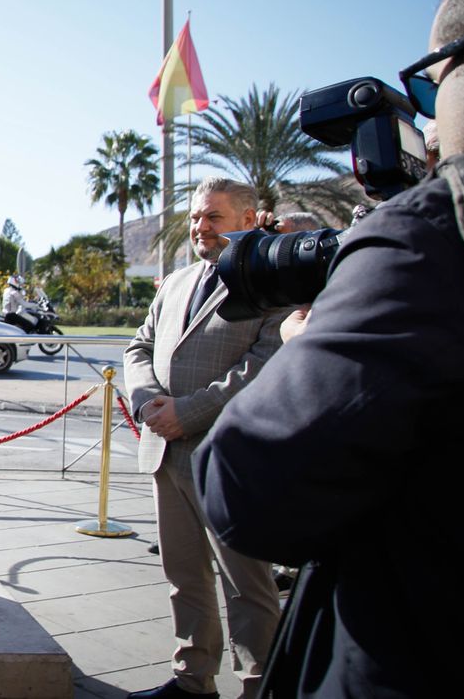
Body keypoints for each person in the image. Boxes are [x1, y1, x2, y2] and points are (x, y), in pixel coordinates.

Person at [195, 0, 464, 697]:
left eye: (431, 88)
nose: (429, 129)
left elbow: (244, 490)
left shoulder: (441, 237)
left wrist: (306, 347)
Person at [124, 177, 287, 699]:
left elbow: (264, 364)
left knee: (247, 586)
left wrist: (188, 413)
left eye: (213, 217)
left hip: (229, 459)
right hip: (166, 453)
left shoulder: (270, 284)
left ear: (246, 219)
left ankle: (259, 683)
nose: (200, 226)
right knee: (184, 578)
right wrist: (150, 402)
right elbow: (138, 347)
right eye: (196, 216)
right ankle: (192, 679)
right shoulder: (175, 282)